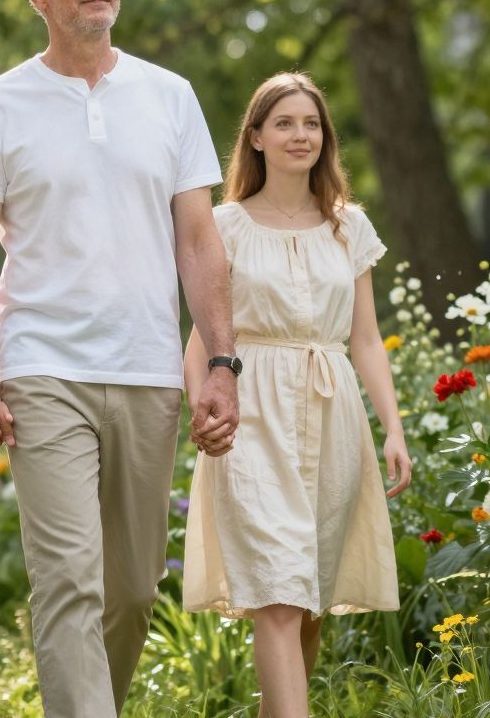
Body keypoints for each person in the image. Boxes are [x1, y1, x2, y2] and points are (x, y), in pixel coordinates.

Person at [0, 0, 239, 718]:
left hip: (147, 367)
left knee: (133, 589)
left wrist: (222, 363)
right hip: (43, 367)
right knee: (68, 578)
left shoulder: (169, 96)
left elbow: (200, 240)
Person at [181, 72, 411, 718]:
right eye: (283, 123)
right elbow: (198, 348)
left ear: (324, 138)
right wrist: (204, 414)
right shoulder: (222, 226)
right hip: (250, 413)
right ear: (255, 137)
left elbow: (365, 339)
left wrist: (392, 428)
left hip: (332, 410)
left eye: (310, 124)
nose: (299, 135)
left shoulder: (349, 228)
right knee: (277, 592)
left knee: (307, 597)